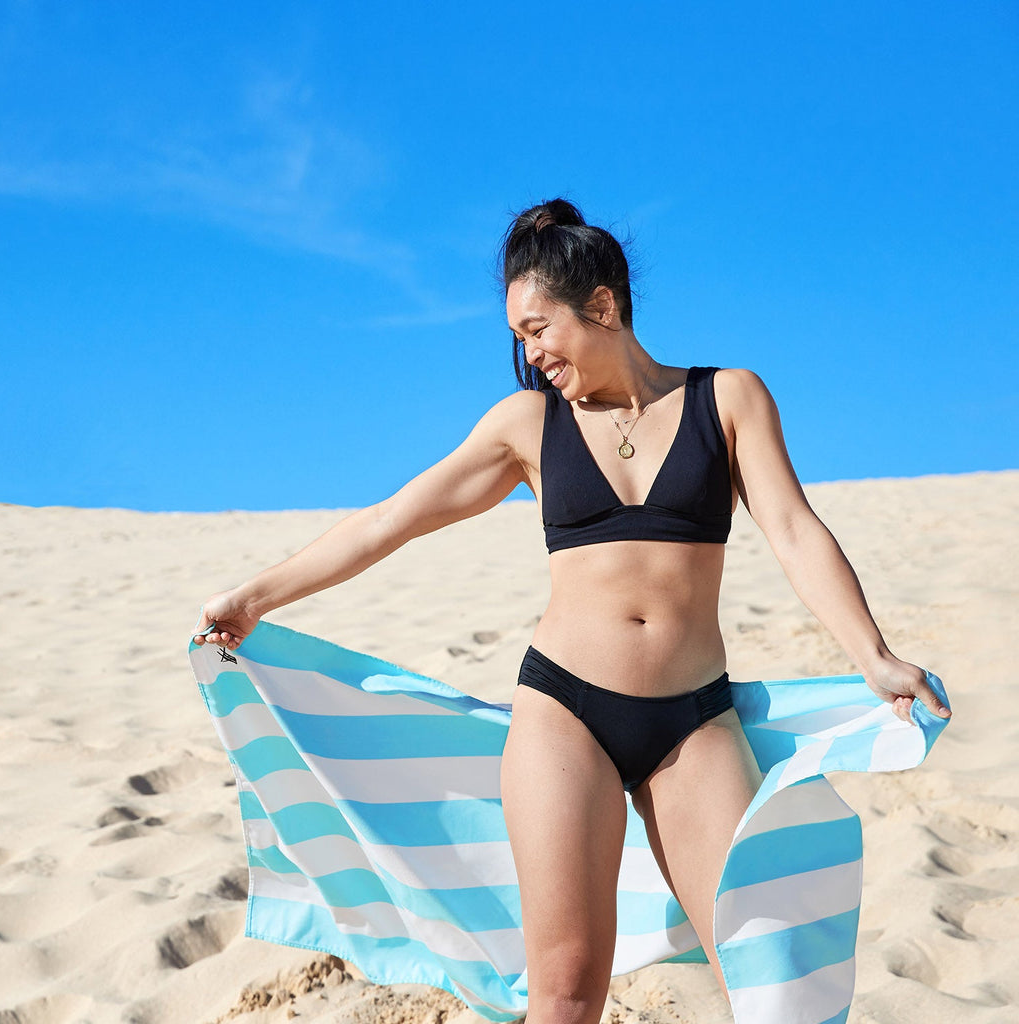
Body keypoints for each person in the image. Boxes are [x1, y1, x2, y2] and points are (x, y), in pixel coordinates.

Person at [194, 198, 950, 1024]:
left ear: (603, 306)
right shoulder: (530, 425)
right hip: (565, 715)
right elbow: (389, 521)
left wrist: (873, 654)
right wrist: (253, 596)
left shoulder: (728, 399)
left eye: (538, 327)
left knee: (763, 986)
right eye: (519, 336)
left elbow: (797, 532)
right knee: (565, 993)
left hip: (695, 722)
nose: (530, 351)